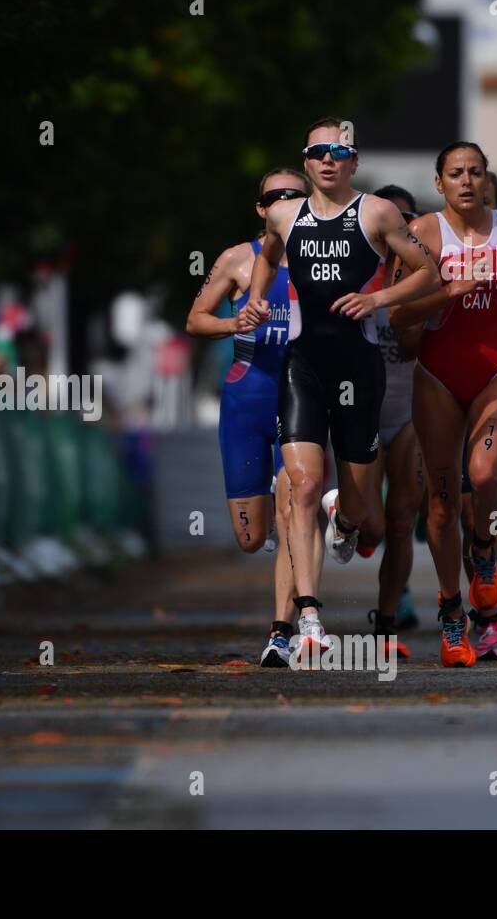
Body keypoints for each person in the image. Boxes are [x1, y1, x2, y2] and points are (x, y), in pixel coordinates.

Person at [244, 117, 442, 662]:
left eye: (339, 151)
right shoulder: (286, 215)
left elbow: (429, 274)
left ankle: (346, 518)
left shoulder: (376, 212)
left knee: (360, 508)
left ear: (353, 161)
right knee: (302, 486)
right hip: (303, 366)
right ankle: (308, 619)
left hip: (360, 369)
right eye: (317, 152)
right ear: (306, 161)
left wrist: (378, 301)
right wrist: (258, 301)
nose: (328, 160)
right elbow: (265, 256)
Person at [390, 142, 497, 667]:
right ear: (439, 183)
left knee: (485, 475)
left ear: (485, 178)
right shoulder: (422, 234)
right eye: (455, 173)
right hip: (438, 376)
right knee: (442, 505)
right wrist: (447, 292)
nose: (466, 181)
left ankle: (485, 556)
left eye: (475, 172)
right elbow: (399, 318)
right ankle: (450, 613)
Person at [187, 168, 318, 667]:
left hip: (300, 398)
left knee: (294, 513)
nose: (286, 202)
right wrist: (232, 321)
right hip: (246, 399)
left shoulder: (322, 257)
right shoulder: (237, 259)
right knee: (250, 538)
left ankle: (283, 632)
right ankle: (282, 542)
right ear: (261, 209)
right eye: (276, 197)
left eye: (296, 196)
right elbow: (194, 319)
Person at [353, 185, 422, 658]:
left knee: (401, 523)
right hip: (366, 414)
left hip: (412, 414)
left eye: (407, 221)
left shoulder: (427, 275)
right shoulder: (357, 274)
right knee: (373, 527)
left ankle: (387, 621)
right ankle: (352, 524)